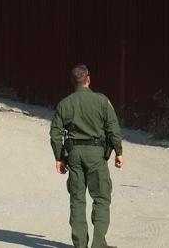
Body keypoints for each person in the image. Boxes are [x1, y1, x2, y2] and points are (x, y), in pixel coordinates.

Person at [49, 64, 124, 248]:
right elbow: (113, 129)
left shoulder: (64, 104)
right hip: (96, 155)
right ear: (88, 79)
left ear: (73, 82)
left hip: (74, 155)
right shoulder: (101, 101)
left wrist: (59, 158)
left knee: (77, 199)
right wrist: (119, 152)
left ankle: (80, 245)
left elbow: (55, 134)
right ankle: (99, 244)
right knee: (101, 198)